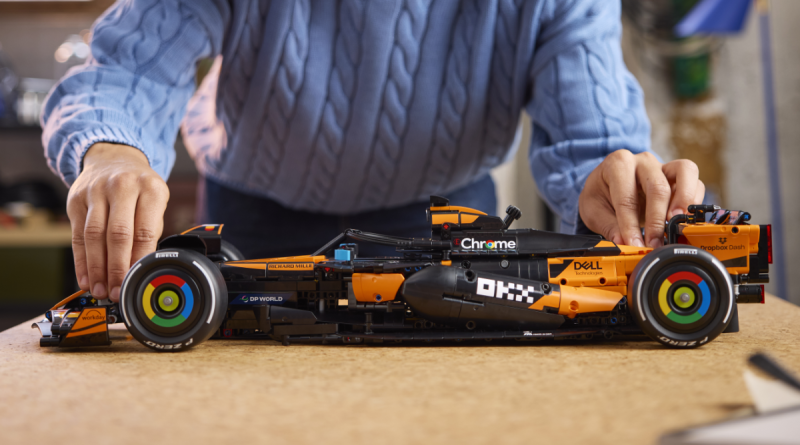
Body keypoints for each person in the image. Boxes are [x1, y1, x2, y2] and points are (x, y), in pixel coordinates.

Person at [41, 0, 703, 303]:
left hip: (445, 227)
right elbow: (128, 68)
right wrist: (113, 151)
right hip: (252, 223)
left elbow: (594, 139)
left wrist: (613, 181)